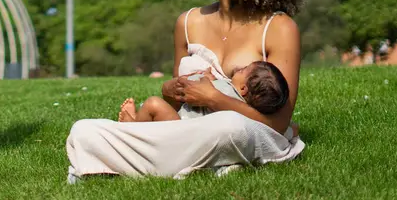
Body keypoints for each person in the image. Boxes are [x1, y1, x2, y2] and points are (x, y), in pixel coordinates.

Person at [66, 0, 305, 181]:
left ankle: (138, 165)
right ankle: (200, 164)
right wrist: (169, 90)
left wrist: (213, 98)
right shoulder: (187, 23)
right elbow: (178, 107)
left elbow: (277, 124)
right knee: (83, 130)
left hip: (232, 132)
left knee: (230, 127)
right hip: (184, 134)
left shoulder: (278, 28)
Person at [118, 61, 289, 122]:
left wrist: (202, 78)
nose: (238, 68)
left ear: (243, 89)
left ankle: (132, 126)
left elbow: (196, 90)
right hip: (186, 131)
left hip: (180, 127)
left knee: (153, 104)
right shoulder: (239, 107)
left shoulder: (226, 90)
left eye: (243, 70)